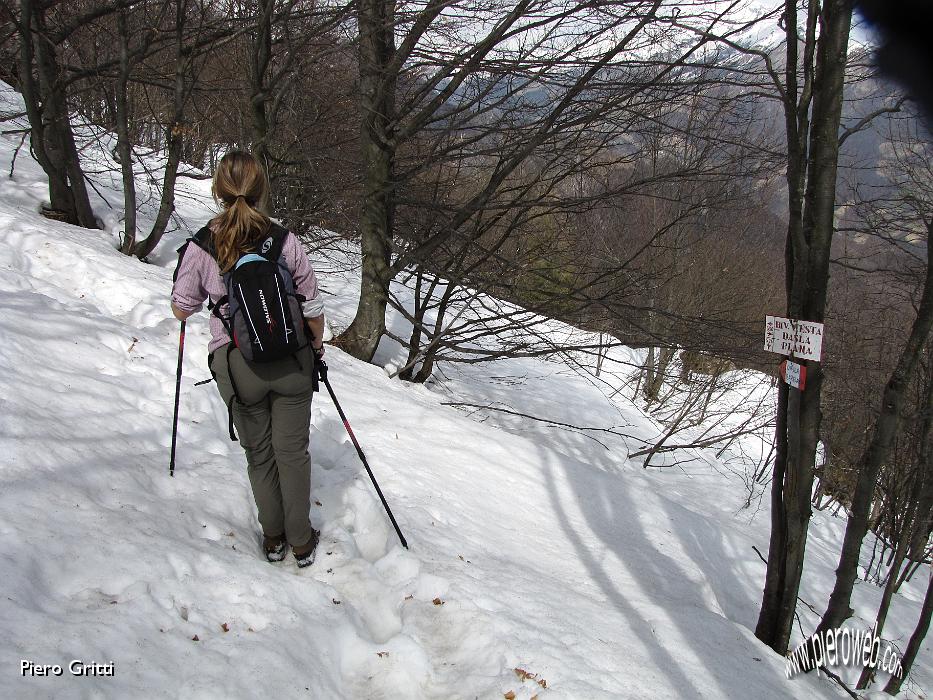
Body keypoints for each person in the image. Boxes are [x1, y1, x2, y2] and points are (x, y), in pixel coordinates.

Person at [170, 151, 326, 567]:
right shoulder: (284, 240)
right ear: (262, 190)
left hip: (238, 367)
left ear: (218, 190)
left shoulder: (205, 243)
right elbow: (312, 307)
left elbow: (183, 308)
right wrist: (317, 347)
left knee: (259, 453)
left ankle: (273, 537)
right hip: (292, 362)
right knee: (292, 452)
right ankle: (301, 541)